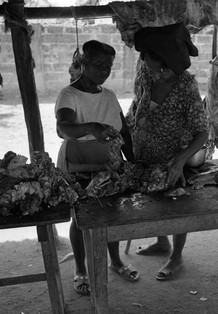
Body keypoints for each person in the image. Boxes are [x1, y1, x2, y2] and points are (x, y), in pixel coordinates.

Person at [55, 40, 139, 295]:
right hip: (77, 164)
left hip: (108, 166)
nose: (104, 70)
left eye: (108, 66)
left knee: (112, 215)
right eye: (98, 64)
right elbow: (63, 128)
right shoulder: (69, 95)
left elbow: (123, 131)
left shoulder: (109, 96)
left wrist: (133, 164)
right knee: (80, 218)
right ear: (84, 63)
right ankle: (81, 269)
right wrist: (91, 127)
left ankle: (115, 261)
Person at [126, 23, 209, 281]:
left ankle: (176, 255)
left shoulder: (186, 87)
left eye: (147, 55)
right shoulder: (145, 72)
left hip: (172, 156)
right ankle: (162, 243)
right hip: (144, 151)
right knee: (153, 203)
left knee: (176, 206)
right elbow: (138, 101)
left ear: (162, 61)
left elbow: (202, 132)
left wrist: (180, 160)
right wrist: (127, 128)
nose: (141, 59)